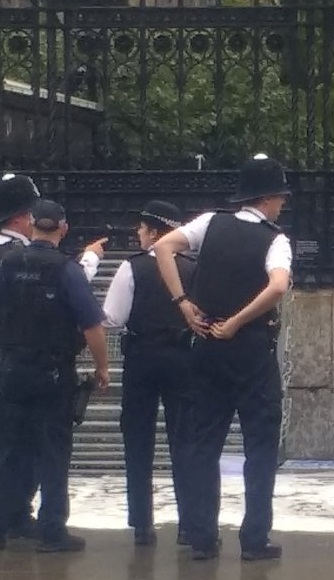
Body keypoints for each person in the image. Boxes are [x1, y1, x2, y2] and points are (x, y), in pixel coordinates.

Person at [151, 153, 292, 562]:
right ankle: (254, 539)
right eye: (280, 197)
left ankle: (201, 536)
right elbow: (279, 286)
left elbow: (163, 247)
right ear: (266, 199)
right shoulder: (275, 238)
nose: (282, 204)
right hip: (249, 347)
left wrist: (182, 302)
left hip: (206, 343)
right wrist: (239, 319)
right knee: (260, 447)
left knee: (202, 443)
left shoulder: (210, 222)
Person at [0, 174, 105, 537]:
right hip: (48, 366)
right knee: (47, 445)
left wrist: (4, 336)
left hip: (9, 362)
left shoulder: (0, 255)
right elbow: (87, 314)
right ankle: (42, 527)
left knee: (9, 439)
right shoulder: (28, 258)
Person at [102, 200, 197, 545]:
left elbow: (111, 318)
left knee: (138, 440)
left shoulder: (133, 268)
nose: (138, 235)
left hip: (142, 359)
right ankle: (190, 524)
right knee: (185, 441)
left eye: (142, 229)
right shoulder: (192, 267)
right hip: (184, 359)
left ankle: (142, 524)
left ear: (155, 232)